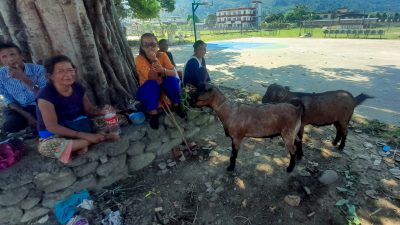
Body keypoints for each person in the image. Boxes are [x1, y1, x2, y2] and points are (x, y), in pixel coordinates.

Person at [36, 55, 116, 164]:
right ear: (50, 76)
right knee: (46, 148)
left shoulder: (77, 87)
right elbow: (53, 127)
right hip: (56, 134)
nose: (68, 75)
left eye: (70, 70)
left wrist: (102, 111)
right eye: (61, 71)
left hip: (79, 124)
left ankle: (81, 144)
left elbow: (89, 110)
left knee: (116, 119)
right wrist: (85, 136)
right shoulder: (45, 96)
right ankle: (96, 138)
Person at [135, 33, 185, 129]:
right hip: (148, 87)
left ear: (157, 44)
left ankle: (177, 104)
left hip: (162, 84)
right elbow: (151, 77)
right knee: (152, 84)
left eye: (153, 44)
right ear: (142, 47)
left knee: (172, 81)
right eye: (146, 45)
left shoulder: (163, 55)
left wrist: (163, 70)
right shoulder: (139, 59)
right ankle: (154, 114)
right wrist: (154, 59)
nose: (150, 48)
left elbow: (173, 73)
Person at [0, 42, 47, 134]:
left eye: (12, 54)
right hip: (20, 108)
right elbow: (8, 100)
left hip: (40, 105)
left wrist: (23, 78)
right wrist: (28, 116)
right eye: (4, 57)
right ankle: (31, 123)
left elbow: (45, 95)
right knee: (11, 125)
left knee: (50, 119)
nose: (10, 59)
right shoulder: (1, 75)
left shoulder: (39, 70)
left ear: (21, 56)